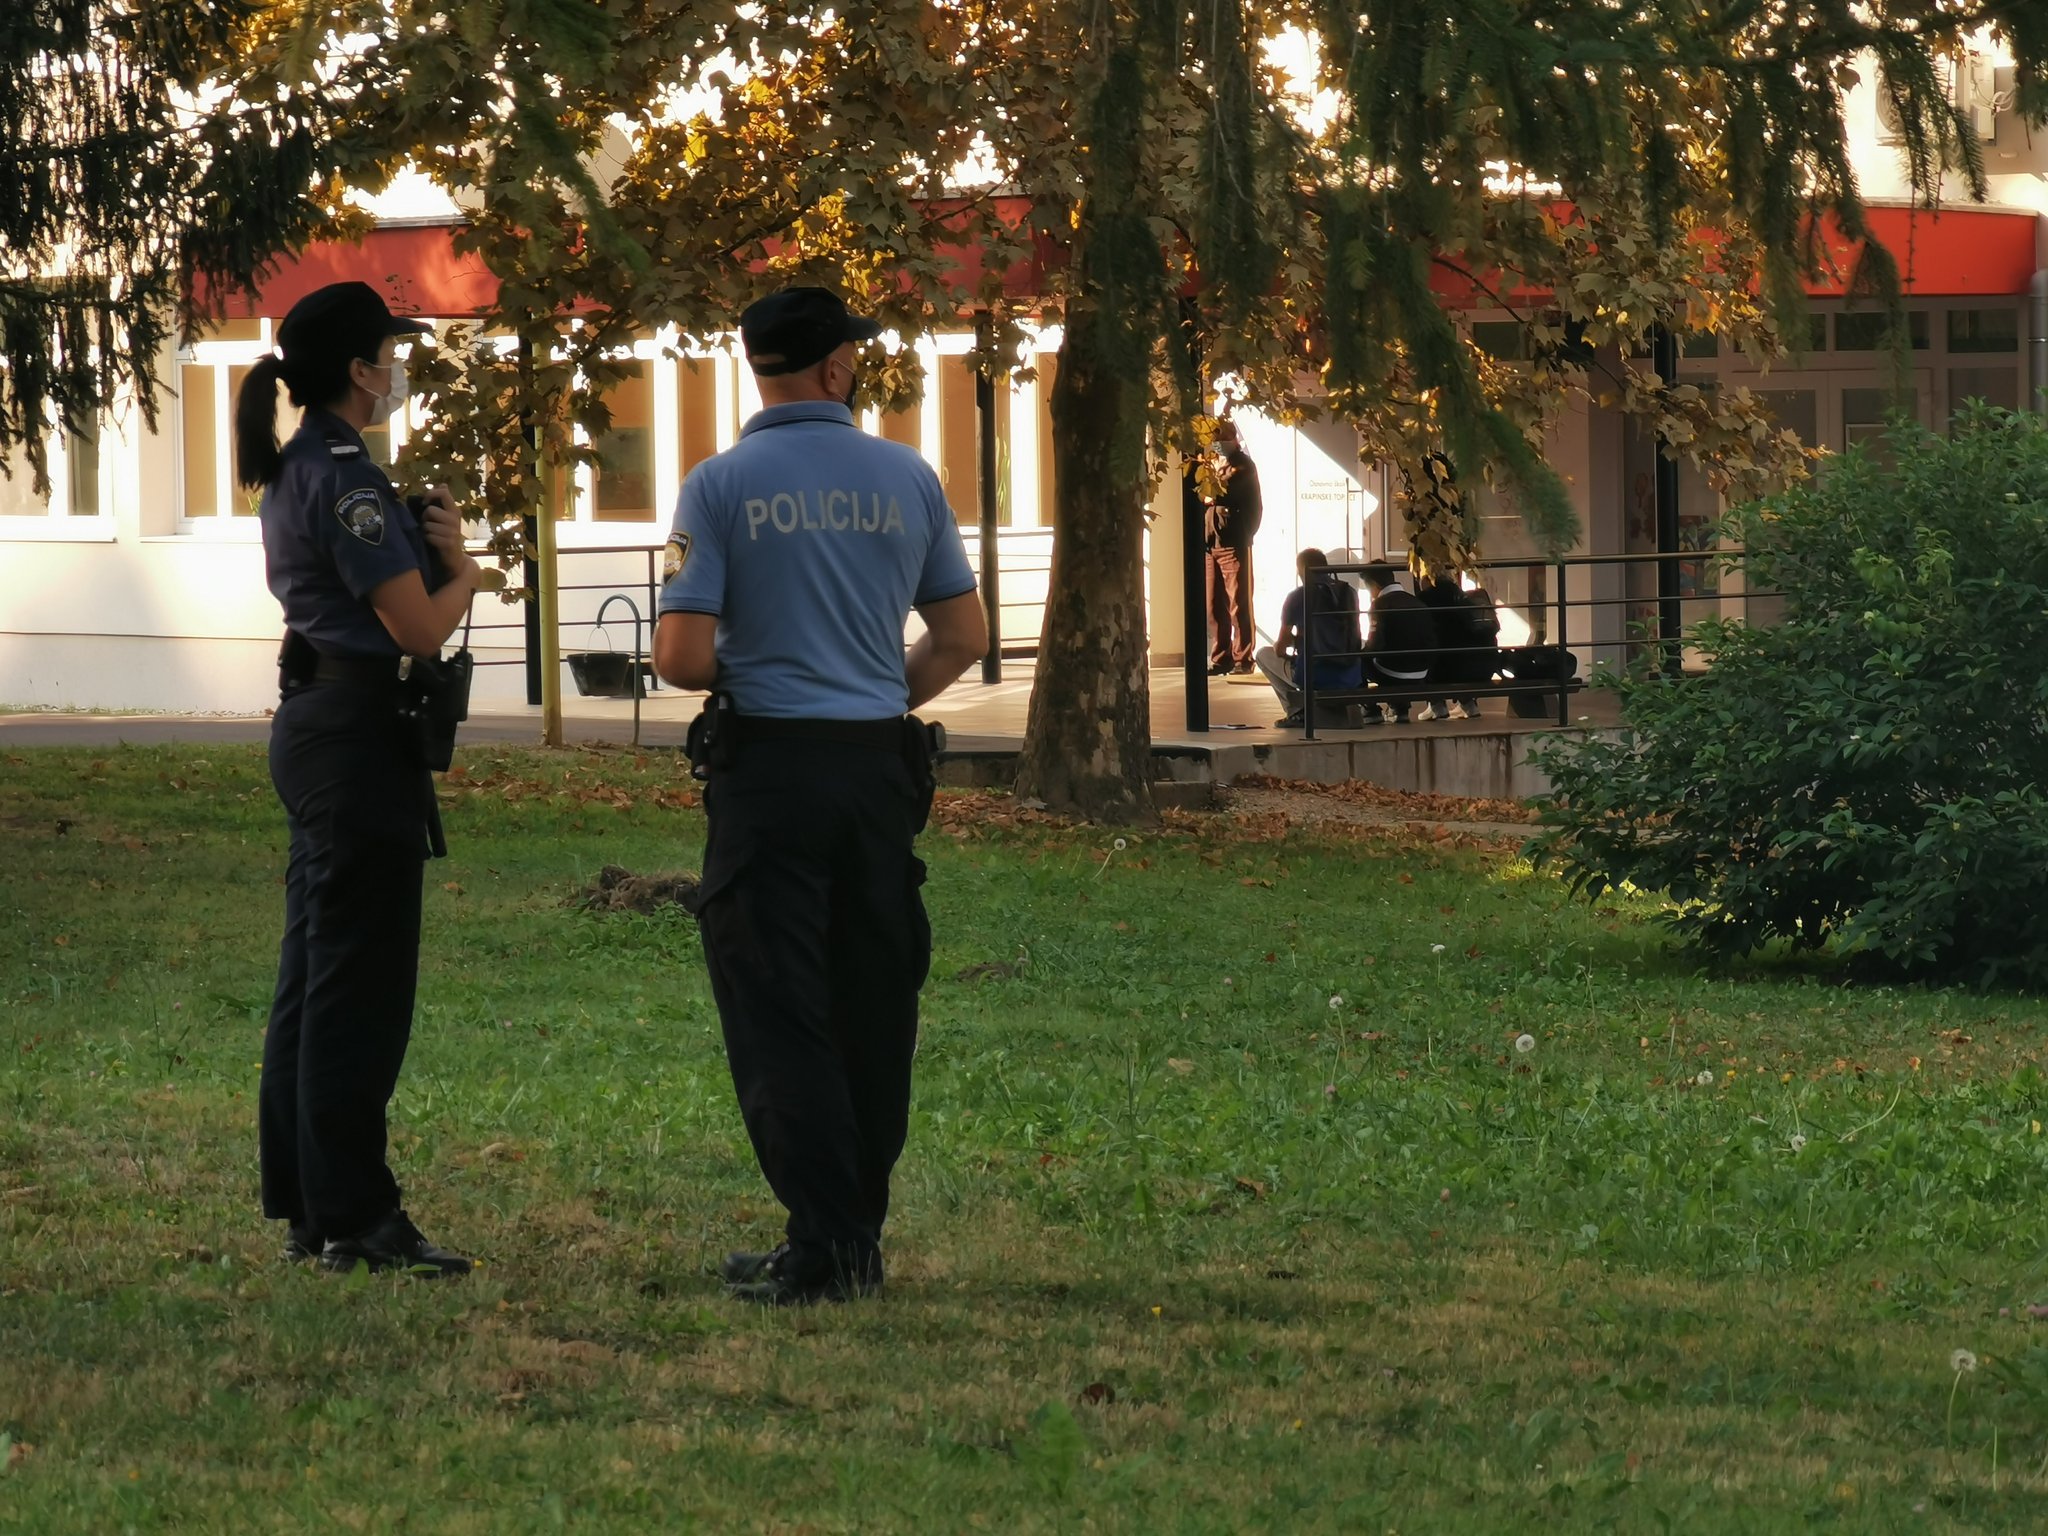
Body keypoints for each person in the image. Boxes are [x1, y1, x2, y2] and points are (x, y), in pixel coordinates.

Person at [654, 286, 987, 1307]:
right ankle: (851, 1232)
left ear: (759, 365)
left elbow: (679, 655)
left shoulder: (716, 487)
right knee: (873, 999)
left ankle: (826, 1243)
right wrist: (881, 692)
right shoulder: (908, 478)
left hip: (769, 776)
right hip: (876, 772)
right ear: (838, 368)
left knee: (777, 1008)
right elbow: (964, 636)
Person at [236, 280, 485, 1276]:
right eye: (388, 351)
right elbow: (419, 630)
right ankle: (356, 1217)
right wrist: (460, 568)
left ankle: (312, 1203)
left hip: (326, 725)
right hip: (353, 735)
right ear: (356, 368)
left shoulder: (308, 465)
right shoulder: (342, 475)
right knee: (357, 990)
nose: (395, 370)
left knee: (317, 976)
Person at [1256, 549, 1363, 728]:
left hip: (1315, 674)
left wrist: (1293, 640)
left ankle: (1297, 712)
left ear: (1301, 570)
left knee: (1263, 655)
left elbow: (1280, 648)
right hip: (1351, 675)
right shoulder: (1349, 592)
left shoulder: (1297, 596)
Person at [1202, 419, 1263, 676]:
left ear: (1233, 439)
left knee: (1239, 602)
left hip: (1234, 541)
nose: (1216, 444)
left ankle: (1243, 659)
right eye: (1213, 439)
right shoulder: (1213, 464)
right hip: (1210, 543)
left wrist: (1206, 492)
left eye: (1220, 438)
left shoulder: (1243, 465)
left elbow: (1219, 492)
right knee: (1214, 605)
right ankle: (1221, 658)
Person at [1360, 563, 1438, 723]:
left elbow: (1375, 645)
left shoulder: (1380, 605)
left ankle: (1370, 709)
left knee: (1359, 660)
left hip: (1393, 674)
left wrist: (1360, 651)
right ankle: (1400, 708)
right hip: (1421, 672)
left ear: (1374, 586)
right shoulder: (1417, 603)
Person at [1418, 575, 1502, 720]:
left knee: (1427, 656)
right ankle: (1469, 704)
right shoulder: (1466, 599)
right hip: (1485, 669)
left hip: (1450, 671)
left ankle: (1437, 706)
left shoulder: (1425, 599)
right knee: (1459, 654)